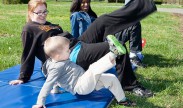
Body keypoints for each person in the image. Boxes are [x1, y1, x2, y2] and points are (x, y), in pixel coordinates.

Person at [9, 0, 157, 97]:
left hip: (77, 43)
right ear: (30, 13)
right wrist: (23, 77)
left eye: (44, 11)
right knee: (115, 46)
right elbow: (27, 53)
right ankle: (129, 85)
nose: (42, 15)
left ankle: (143, 4)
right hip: (72, 56)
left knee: (102, 20)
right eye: (38, 12)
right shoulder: (29, 28)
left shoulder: (48, 23)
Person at [32, 35, 136, 108]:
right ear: (58, 56)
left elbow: (55, 80)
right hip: (80, 86)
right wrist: (40, 102)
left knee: (111, 78)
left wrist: (56, 90)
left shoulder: (58, 59)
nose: (70, 51)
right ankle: (114, 53)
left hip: (86, 81)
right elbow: (48, 83)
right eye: (68, 50)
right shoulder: (56, 67)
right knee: (93, 68)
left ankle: (123, 100)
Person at [70, 0, 146, 70]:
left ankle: (133, 56)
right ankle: (117, 55)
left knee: (134, 23)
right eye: (83, 3)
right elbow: (75, 35)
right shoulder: (76, 15)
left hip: (106, 37)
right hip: (91, 45)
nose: (86, 5)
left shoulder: (92, 15)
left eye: (88, 2)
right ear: (78, 3)